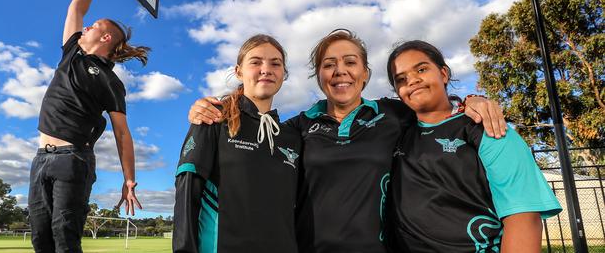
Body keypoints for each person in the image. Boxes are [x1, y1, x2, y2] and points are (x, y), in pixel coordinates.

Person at [187, 29, 506, 253]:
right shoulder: (296, 128)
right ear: (320, 77)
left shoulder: (393, 115)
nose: (341, 72)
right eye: (329, 65)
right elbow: (252, 145)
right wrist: (212, 108)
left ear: (365, 73)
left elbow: (432, 106)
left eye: (350, 62)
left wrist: (471, 101)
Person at [385, 40, 561, 252]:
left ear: (443, 74)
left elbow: (523, 216)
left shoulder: (488, 128)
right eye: (401, 79)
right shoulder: (394, 134)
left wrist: (473, 100)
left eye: (421, 69)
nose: (412, 80)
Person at [28, 0, 148, 253]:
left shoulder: (111, 82)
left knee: (65, 239)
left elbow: (122, 133)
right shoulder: (72, 53)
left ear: (106, 38)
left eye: (93, 25)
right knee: (40, 241)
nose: (87, 27)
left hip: (73, 160)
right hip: (41, 158)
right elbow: (76, 8)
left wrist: (129, 179)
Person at [173, 35, 302, 253]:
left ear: (283, 74)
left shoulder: (292, 136)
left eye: (275, 63)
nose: (266, 69)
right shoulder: (214, 118)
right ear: (239, 71)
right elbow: (187, 191)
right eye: (256, 61)